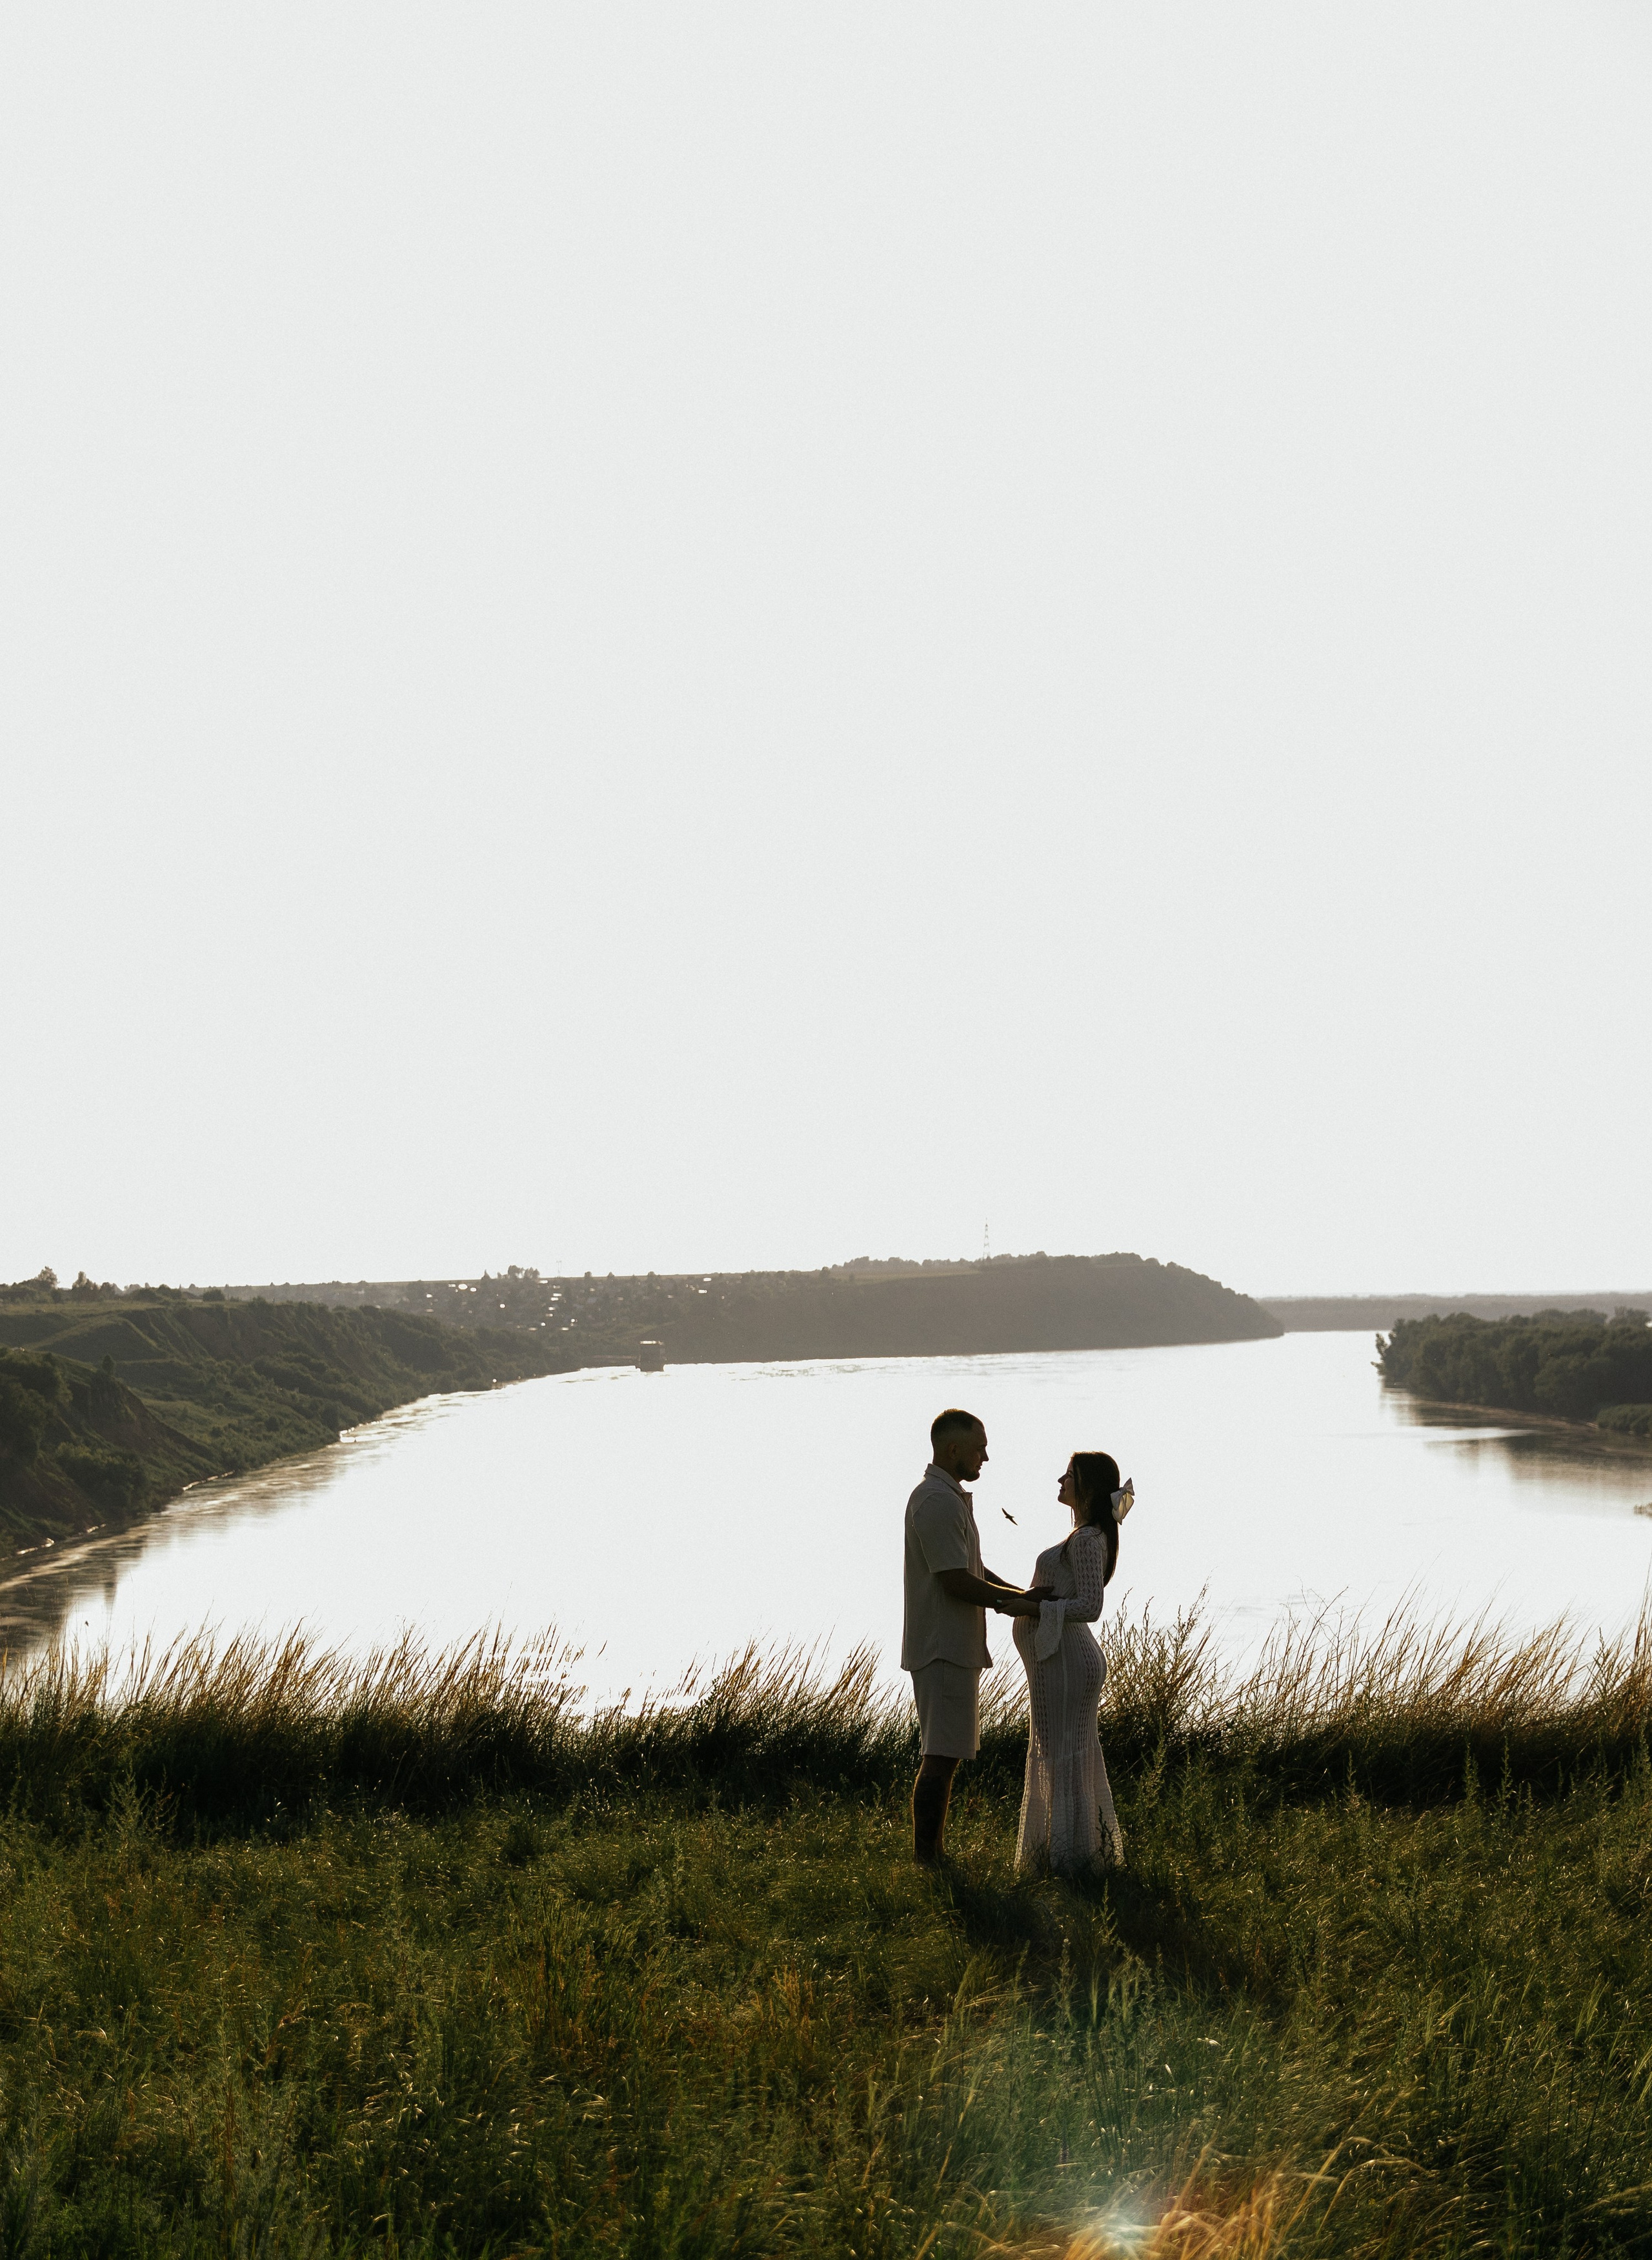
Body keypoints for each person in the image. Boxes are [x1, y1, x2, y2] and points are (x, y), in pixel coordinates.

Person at [902, 1408, 1043, 1864]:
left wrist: (1022, 1594)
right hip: (943, 1647)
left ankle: (933, 1855)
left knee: (945, 1755)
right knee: (940, 1757)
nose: (986, 1456)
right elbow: (955, 1582)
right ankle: (930, 1858)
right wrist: (1014, 1604)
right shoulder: (938, 1502)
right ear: (953, 1449)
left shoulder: (947, 1497)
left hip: (952, 1646)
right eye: (980, 1447)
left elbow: (972, 1570)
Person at [1012, 1450, 1129, 1874]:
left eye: (1070, 1475)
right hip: (1060, 1660)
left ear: (1089, 1487)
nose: (1060, 1481)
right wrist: (1022, 1602)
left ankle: (1066, 1859)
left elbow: (1091, 1606)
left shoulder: (1084, 1539)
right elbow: (1065, 1596)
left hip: (1065, 1661)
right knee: (1062, 1752)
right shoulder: (1087, 1535)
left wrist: (1038, 1609)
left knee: (1061, 1753)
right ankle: (1073, 1854)